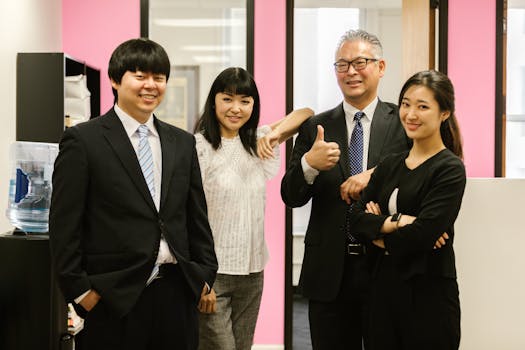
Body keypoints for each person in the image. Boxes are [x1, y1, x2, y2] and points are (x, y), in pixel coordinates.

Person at [49, 38, 218, 350]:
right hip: (113, 296)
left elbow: (196, 215)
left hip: (177, 292)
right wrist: (81, 292)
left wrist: (205, 273)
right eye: (140, 76)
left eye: (159, 78)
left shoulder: (181, 142)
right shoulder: (83, 141)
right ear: (115, 80)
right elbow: (64, 224)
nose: (150, 86)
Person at [281, 29, 411, 349]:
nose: (351, 71)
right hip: (329, 273)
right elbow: (291, 196)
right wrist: (309, 165)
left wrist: (376, 175)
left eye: (360, 62)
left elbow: (419, 175)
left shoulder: (403, 122)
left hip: (387, 265)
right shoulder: (316, 127)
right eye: (342, 64)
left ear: (380, 67)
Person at [194, 67, 313, 350]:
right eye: (227, 99)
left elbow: (306, 113)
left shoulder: (258, 142)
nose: (236, 108)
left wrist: (275, 134)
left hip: (252, 272)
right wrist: (200, 278)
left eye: (245, 101)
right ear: (214, 101)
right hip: (214, 274)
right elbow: (190, 214)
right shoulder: (198, 147)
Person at [348, 70, 465, 350]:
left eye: (422, 106)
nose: (411, 114)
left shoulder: (448, 168)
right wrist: (397, 222)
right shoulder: (390, 164)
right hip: (382, 293)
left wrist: (377, 228)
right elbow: (355, 220)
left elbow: (423, 235)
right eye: (405, 103)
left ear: (444, 113)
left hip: (428, 297)